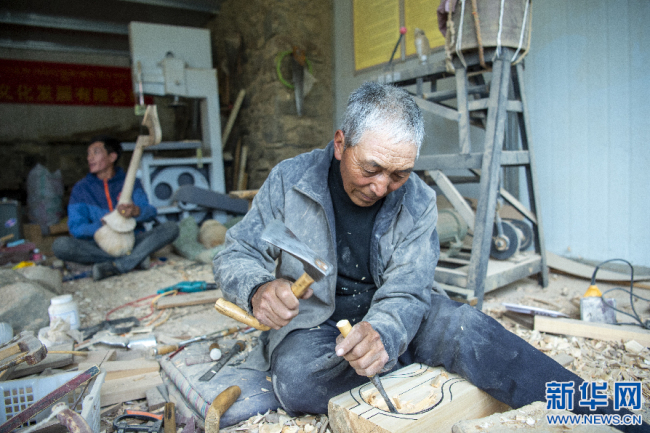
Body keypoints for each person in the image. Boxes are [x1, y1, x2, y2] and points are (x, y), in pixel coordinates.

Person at [213, 83, 646, 431]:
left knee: (468, 327)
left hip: (398, 313)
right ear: (341, 143)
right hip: (315, 324)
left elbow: (407, 289)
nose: (382, 187)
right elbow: (238, 251)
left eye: (399, 173)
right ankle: (417, 362)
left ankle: (610, 413)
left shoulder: (417, 200)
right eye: (372, 169)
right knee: (297, 379)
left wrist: (383, 331)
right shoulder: (290, 180)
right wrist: (256, 288)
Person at [53, 136, 179, 281]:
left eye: (96, 152)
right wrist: (104, 224)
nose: (90, 158)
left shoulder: (131, 182)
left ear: (112, 156)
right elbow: (75, 228)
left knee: (171, 228)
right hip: (98, 245)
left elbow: (151, 212)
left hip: (132, 241)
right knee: (60, 245)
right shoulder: (81, 189)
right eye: (89, 154)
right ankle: (132, 260)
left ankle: (118, 265)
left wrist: (136, 211)